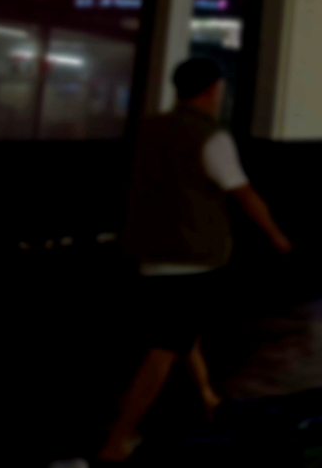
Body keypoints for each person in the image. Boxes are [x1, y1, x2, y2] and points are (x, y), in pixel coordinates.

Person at [96, 58, 292, 463]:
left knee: (182, 331)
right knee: (164, 348)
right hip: (191, 257)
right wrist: (276, 235)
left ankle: (207, 397)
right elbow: (243, 193)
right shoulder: (210, 136)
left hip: (149, 252)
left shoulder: (151, 127)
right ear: (213, 90)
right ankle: (118, 439)